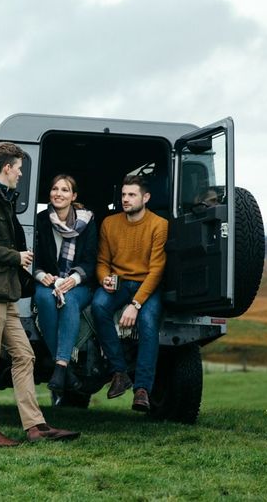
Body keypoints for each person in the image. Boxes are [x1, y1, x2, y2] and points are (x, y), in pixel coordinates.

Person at [0, 142, 80, 447]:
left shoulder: (2, 198)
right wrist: (15, 257)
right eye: (20, 168)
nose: (22, 174)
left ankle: (36, 426)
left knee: (24, 355)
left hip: (5, 293)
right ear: (8, 168)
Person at [91, 175, 168, 412]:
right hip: (119, 283)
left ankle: (142, 389)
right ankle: (119, 372)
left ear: (146, 198)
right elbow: (102, 261)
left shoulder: (159, 224)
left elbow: (156, 270)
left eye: (132, 195)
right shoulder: (109, 223)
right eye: (124, 195)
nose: (126, 199)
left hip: (147, 284)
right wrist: (104, 278)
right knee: (98, 306)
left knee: (147, 322)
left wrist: (135, 305)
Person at [32, 174, 97, 394]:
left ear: (73, 196)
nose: (59, 194)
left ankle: (59, 367)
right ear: (49, 193)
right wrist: (41, 275)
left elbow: (91, 261)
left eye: (65, 190)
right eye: (55, 189)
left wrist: (74, 278)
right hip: (49, 281)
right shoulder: (40, 221)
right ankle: (65, 371)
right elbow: (34, 258)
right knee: (42, 298)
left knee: (68, 301)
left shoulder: (87, 222)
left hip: (79, 284)